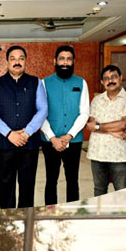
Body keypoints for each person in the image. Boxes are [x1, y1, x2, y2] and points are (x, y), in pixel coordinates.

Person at [0, 45, 48, 208]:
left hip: (29, 144)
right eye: (13, 58)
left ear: (26, 61)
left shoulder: (36, 82)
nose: (17, 62)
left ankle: (25, 222)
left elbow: (43, 109)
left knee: (27, 186)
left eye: (21, 58)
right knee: (6, 187)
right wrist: (9, 134)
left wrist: (27, 133)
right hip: (5, 145)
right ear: (7, 62)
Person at [40, 45, 89, 205]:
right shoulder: (44, 83)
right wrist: (53, 138)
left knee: (72, 180)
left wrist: (69, 136)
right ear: (55, 61)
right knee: (51, 180)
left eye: (69, 59)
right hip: (50, 141)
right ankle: (49, 211)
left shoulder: (81, 83)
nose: (65, 62)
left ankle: (71, 212)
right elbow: (40, 113)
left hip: (74, 141)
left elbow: (84, 113)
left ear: (74, 61)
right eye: (62, 58)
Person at [86, 65, 126, 196]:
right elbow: (90, 125)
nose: (110, 81)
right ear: (102, 82)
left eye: (114, 77)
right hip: (97, 153)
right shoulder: (97, 100)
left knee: (122, 191)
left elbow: (124, 123)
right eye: (106, 78)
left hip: (119, 154)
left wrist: (98, 127)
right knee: (99, 190)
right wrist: (112, 131)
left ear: (121, 78)